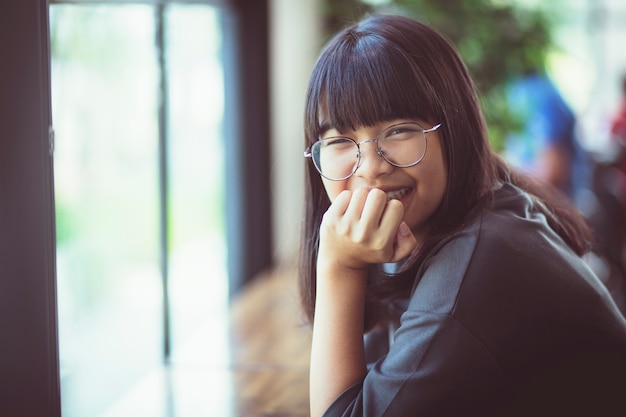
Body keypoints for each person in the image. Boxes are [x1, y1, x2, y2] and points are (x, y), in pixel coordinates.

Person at [299, 14, 626, 417]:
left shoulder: (474, 272)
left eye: (399, 130)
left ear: (452, 129)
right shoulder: (473, 215)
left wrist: (338, 265)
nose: (370, 166)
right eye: (340, 140)